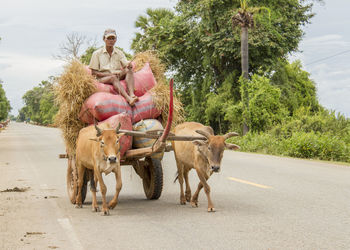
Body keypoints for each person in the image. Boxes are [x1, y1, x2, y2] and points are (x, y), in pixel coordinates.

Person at [89, 28, 138, 106]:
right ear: (104, 39)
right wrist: (109, 75)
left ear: (116, 40)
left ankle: (132, 94)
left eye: (113, 38)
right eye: (108, 38)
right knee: (113, 78)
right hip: (103, 78)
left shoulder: (119, 53)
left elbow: (125, 64)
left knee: (129, 70)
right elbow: (93, 72)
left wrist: (129, 65)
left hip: (117, 75)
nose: (111, 40)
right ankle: (128, 98)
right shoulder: (97, 53)